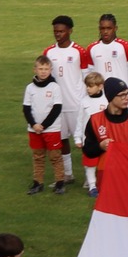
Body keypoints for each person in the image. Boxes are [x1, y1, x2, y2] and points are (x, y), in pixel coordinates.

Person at [44, 15, 90, 181]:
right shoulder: (49, 52)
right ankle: (67, 174)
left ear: (70, 31)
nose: (58, 34)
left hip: (76, 103)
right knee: (62, 140)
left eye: (62, 31)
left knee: (84, 141)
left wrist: (85, 100)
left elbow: (87, 76)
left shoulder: (79, 51)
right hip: (57, 105)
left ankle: (88, 178)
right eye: (56, 31)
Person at [23, 55, 67, 193]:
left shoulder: (55, 87)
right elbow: (26, 108)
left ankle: (60, 183)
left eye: (46, 69)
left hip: (51, 129)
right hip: (34, 129)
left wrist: (43, 126)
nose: (43, 72)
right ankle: (38, 183)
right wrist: (34, 124)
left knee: (55, 156)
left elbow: (57, 108)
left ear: (50, 70)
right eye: (40, 68)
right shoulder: (30, 88)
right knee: (38, 157)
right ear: (34, 70)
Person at [87, 13, 128, 91]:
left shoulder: (125, 46)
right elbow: (90, 72)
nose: (105, 31)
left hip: (122, 95)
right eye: (102, 28)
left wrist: (127, 89)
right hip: (101, 96)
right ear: (99, 29)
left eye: (109, 28)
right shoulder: (92, 48)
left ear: (115, 28)